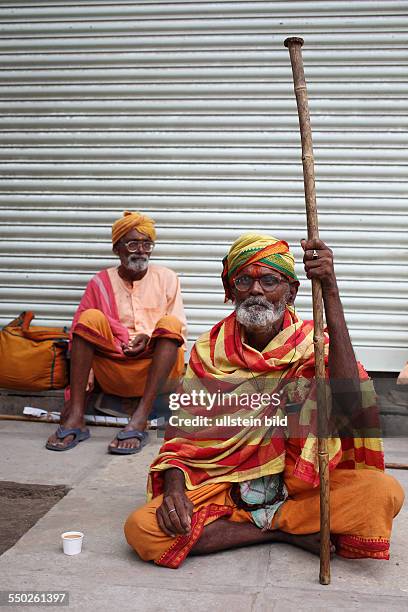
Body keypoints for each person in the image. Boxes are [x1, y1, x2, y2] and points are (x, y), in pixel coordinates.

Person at [124, 233, 404, 567]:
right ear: (230, 291)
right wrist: (173, 490)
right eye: (244, 280)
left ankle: (279, 519)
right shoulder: (208, 352)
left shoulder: (312, 344)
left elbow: (349, 406)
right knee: (143, 529)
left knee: (382, 493)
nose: (256, 290)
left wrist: (330, 290)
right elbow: (182, 437)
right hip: (226, 490)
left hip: (298, 489)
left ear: (292, 292)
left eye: (269, 280)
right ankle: (280, 530)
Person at [46, 211, 187, 454]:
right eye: (133, 243)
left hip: (156, 369)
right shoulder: (100, 282)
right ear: (117, 249)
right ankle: (77, 417)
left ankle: (140, 417)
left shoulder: (167, 278)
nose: (141, 250)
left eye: (146, 244)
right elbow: (83, 333)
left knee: (171, 325)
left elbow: (178, 333)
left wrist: (148, 337)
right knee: (88, 318)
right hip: (113, 369)